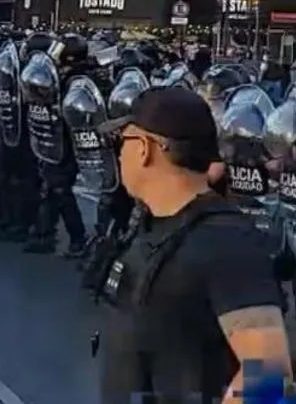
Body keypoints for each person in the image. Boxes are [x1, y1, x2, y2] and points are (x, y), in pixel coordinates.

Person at [94, 88, 292, 403]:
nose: (118, 153)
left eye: (123, 141)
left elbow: (270, 377)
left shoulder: (226, 242)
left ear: (144, 148)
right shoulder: (150, 224)